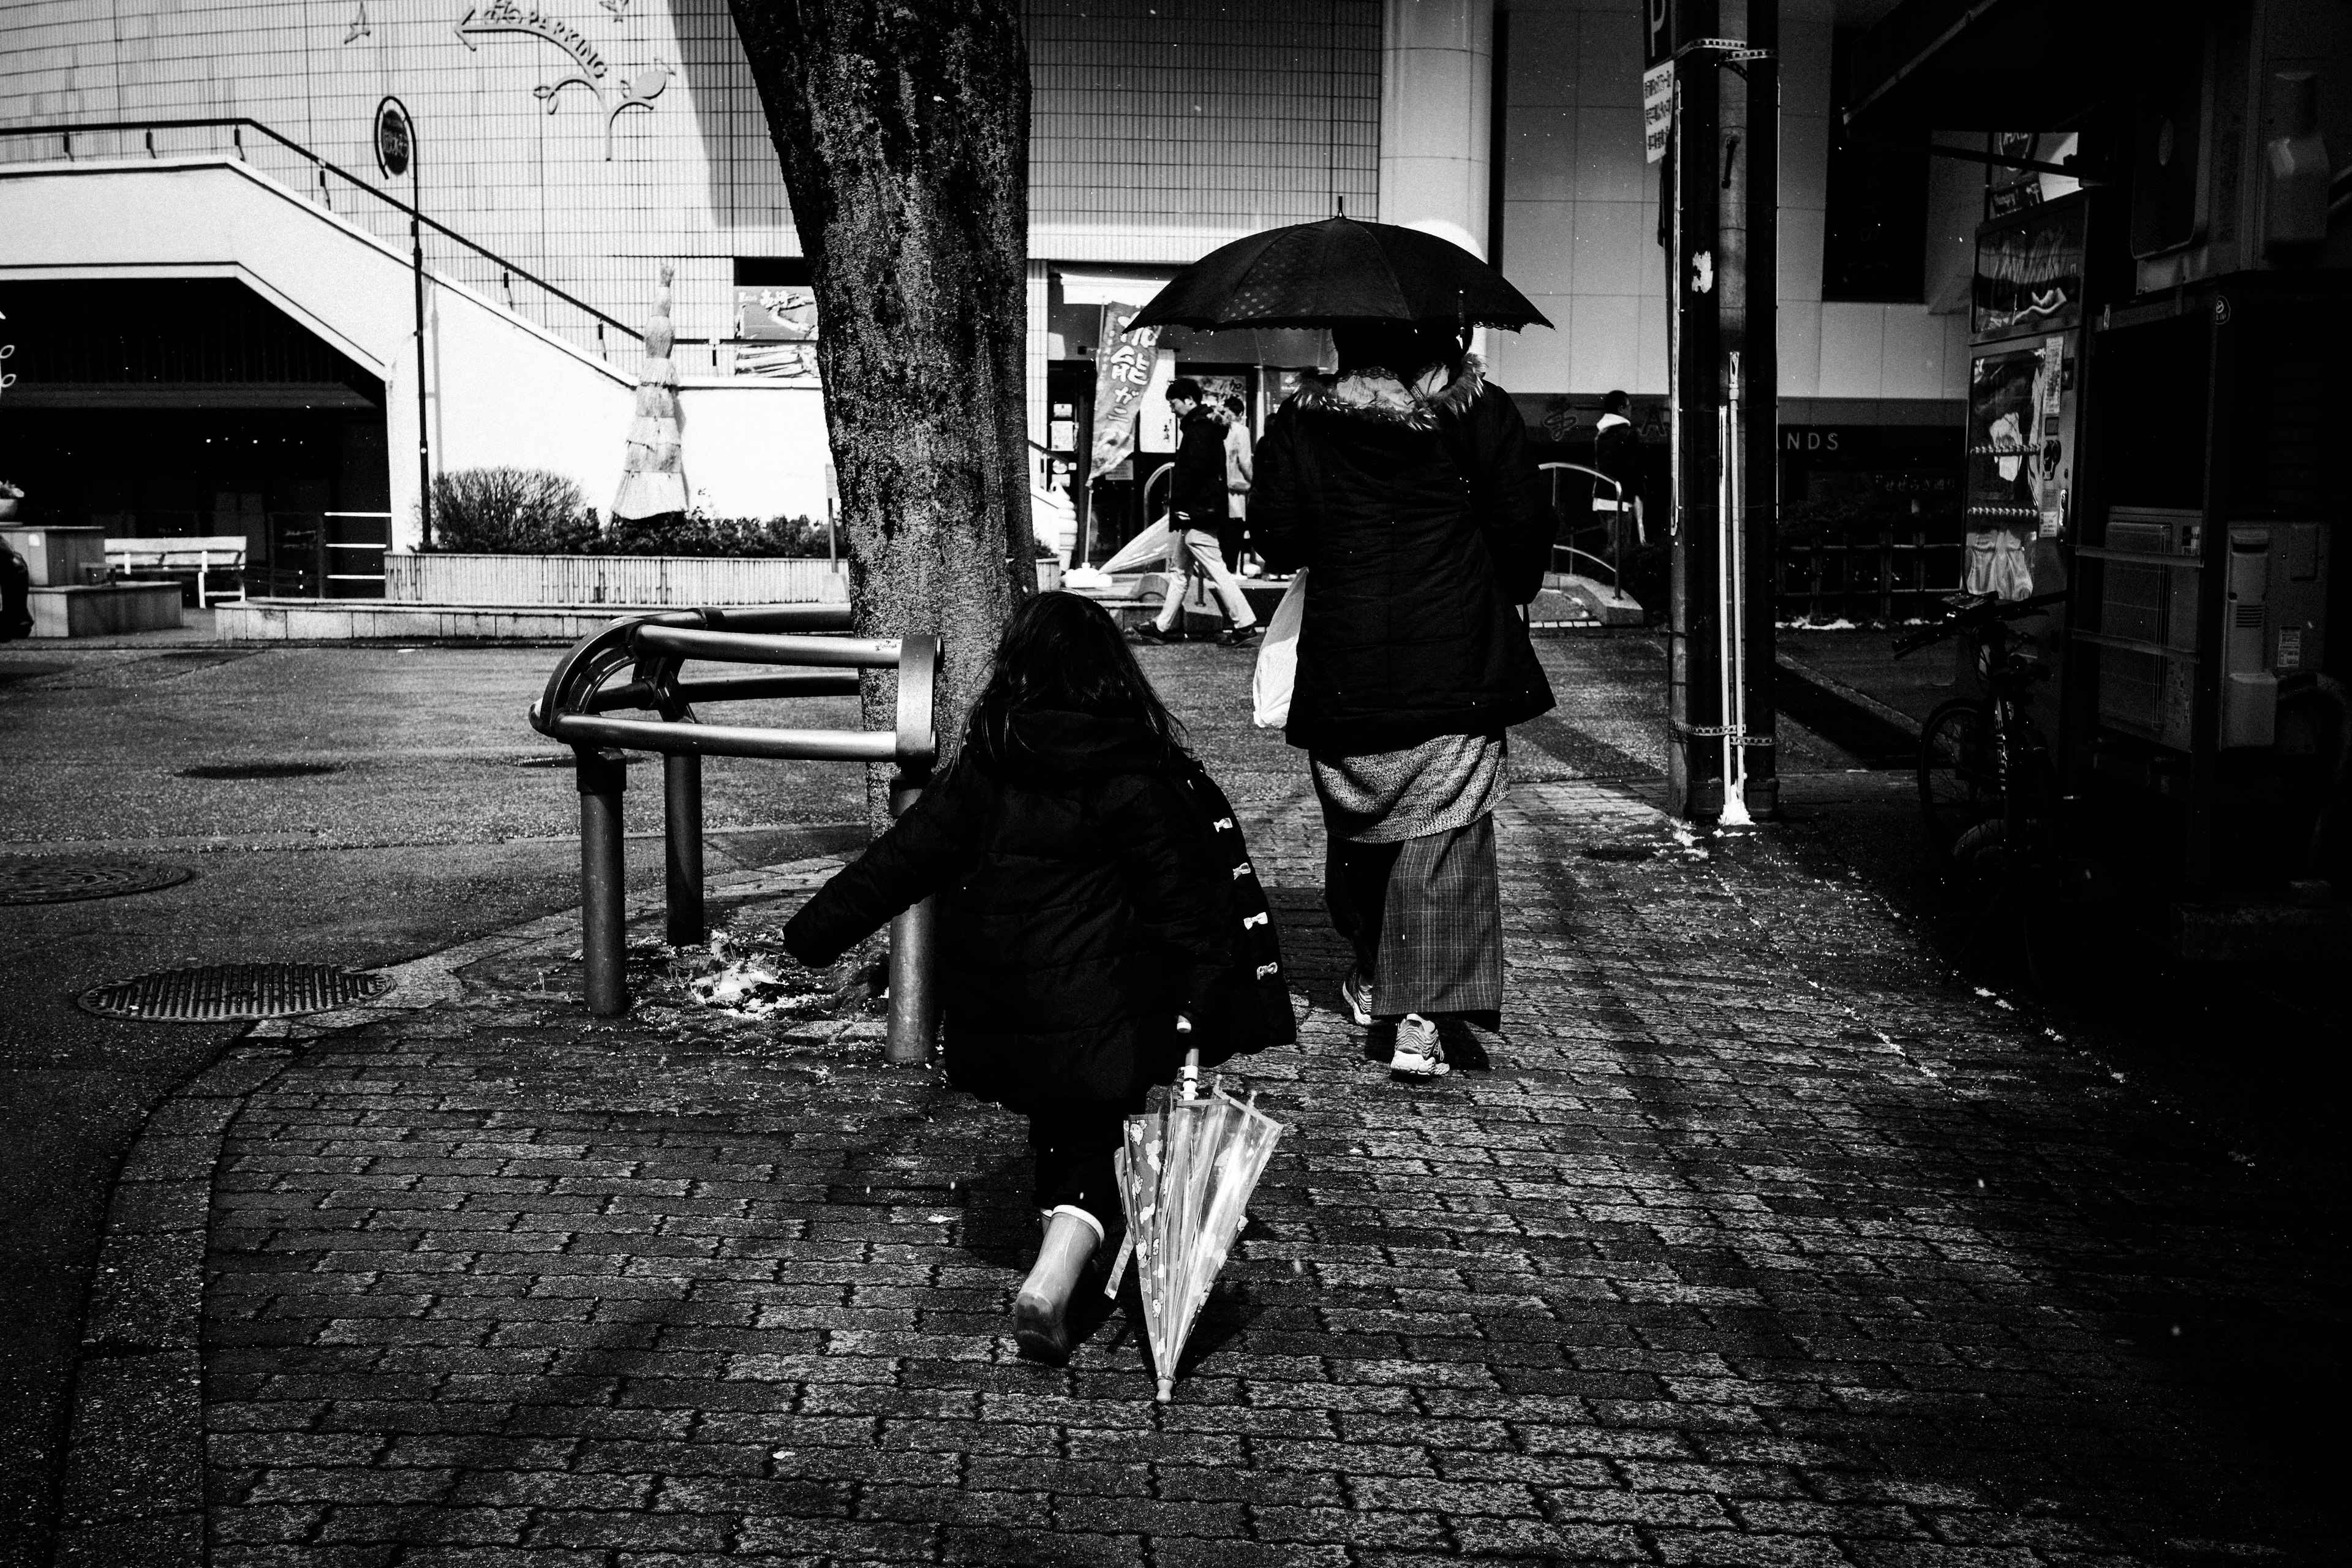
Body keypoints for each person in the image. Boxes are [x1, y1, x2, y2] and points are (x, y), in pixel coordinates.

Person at [782, 592, 1294, 1362]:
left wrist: (812, 933)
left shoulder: (989, 762)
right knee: (1091, 1120)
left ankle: (1063, 1243)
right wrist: (1204, 1001)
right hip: (1108, 1005)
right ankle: (1053, 1275)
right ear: (1113, 675)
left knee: (1065, 1121)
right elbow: (1182, 903)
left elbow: (902, 860)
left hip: (1006, 1005)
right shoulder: (1134, 771)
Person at [1251, 321, 1554, 1079]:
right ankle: (1417, 1013)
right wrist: (1493, 583)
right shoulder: (1480, 412)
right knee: (1446, 834)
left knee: (1365, 827)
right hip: (1457, 662)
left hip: (1346, 664)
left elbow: (1276, 538)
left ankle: (1381, 972)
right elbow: (1522, 540)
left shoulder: (1304, 419)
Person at [1135, 378, 1260, 647]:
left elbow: (1192, 473)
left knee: (1215, 568)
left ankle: (1245, 622)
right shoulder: (1205, 426)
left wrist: (1179, 506)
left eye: (1174, 403)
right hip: (1201, 511)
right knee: (1180, 570)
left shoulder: (1199, 429)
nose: (1172, 409)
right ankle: (1162, 626)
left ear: (1189, 399)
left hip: (1197, 513)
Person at [1591, 389, 1645, 549]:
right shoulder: (1629, 434)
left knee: (1612, 547)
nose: (1631, 409)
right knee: (1620, 551)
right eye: (1629, 406)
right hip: (1619, 500)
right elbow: (1634, 469)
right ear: (1620, 409)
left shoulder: (1601, 434)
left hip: (1601, 497)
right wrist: (1639, 496)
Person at [1220, 394, 1257, 575]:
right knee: (1235, 531)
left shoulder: (1217, 427)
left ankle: (1223, 571)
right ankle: (1232, 570)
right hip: (1235, 488)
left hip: (1218, 489)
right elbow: (1244, 463)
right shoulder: (1241, 431)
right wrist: (1254, 482)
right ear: (1241, 414)